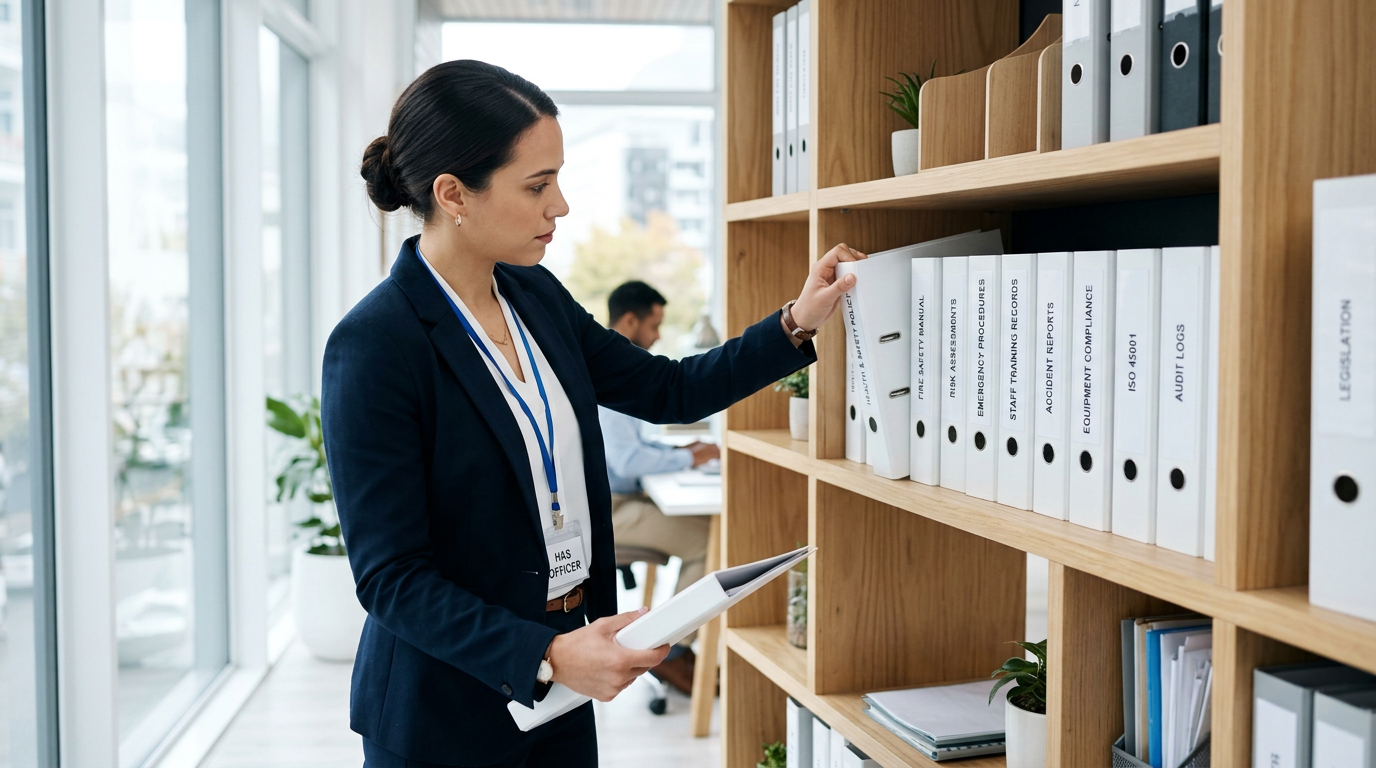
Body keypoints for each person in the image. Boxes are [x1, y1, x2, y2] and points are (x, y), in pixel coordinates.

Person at [323, 59, 863, 768]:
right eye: (538, 185)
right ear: (454, 194)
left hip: (568, 685)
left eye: (559, 179)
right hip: (448, 710)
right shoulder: (375, 344)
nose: (562, 206)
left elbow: (669, 390)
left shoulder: (535, 297)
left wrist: (796, 321)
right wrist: (545, 653)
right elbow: (392, 577)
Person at [597, 280, 716, 695]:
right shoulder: (607, 373)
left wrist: (682, 449)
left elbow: (633, 446)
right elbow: (626, 461)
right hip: (610, 511)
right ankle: (674, 653)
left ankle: (678, 646)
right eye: (654, 324)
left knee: (709, 526)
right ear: (630, 320)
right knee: (709, 542)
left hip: (620, 499)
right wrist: (689, 457)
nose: (658, 336)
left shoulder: (616, 369)